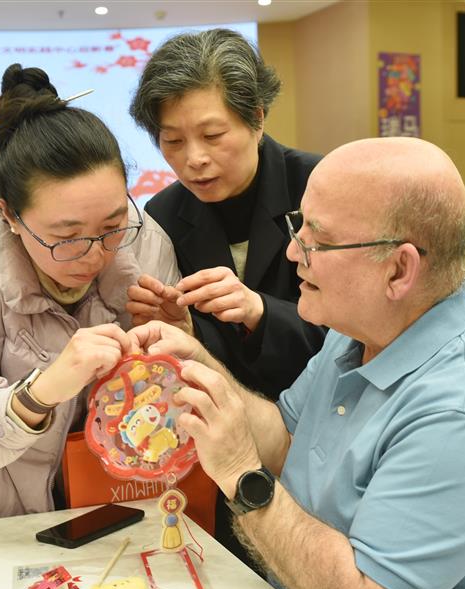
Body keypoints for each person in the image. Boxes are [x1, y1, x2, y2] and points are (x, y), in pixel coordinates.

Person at [129, 137, 465, 589]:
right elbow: (289, 443)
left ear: (399, 269)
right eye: (298, 225)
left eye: (318, 240)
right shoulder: (360, 333)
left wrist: (243, 475)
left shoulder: (461, 410)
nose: (292, 252)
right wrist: (200, 366)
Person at [0, 64, 179, 526]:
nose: (96, 254)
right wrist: (41, 393)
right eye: (66, 236)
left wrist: (180, 347)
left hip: (121, 506)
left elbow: (169, 409)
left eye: (111, 225)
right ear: (9, 215)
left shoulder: (145, 240)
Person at [127, 28, 326, 401]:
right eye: (172, 141)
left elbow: (360, 333)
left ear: (257, 119)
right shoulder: (163, 214)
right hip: (227, 417)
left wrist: (260, 311)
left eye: (213, 135)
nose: (194, 159)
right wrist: (186, 329)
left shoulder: (319, 186)